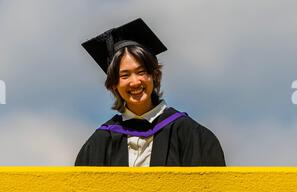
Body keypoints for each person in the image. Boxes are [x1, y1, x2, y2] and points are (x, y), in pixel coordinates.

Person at [75, 18, 226, 167]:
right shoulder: (100, 143)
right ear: (114, 84)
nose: (135, 82)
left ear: (154, 75)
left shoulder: (191, 135)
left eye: (141, 72)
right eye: (125, 75)